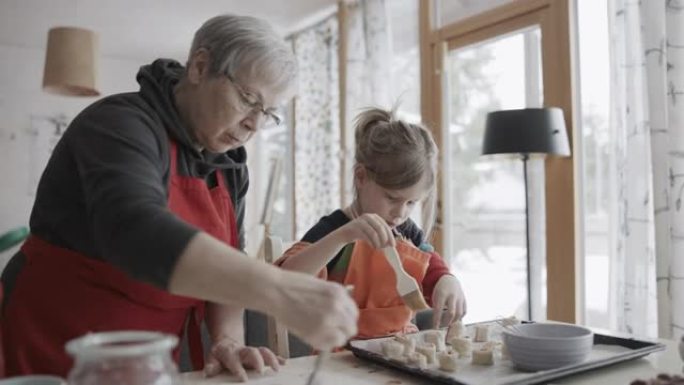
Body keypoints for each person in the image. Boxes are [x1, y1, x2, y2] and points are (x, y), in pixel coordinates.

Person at [0, 14, 358, 380]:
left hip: (145, 361)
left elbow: (228, 270)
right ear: (201, 67)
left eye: (267, 113)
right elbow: (136, 232)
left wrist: (228, 339)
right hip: (55, 347)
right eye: (248, 98)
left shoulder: (230, 167)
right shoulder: (120, 125)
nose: (254, 124)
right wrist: (278, 289)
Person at [277, 107, 467, 340]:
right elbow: (285, 279)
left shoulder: (405, 231)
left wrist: (447, 279)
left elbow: (431, 265)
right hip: (342, 356)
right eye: (392, 198)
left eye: (411, 203)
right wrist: (342, 237)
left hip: (400, 348)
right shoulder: (335, 229)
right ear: (361, 177)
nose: (400, 213)